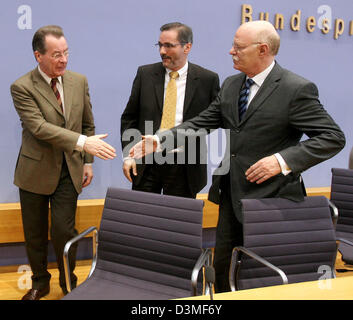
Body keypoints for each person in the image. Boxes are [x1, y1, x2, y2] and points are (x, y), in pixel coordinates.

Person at [129, 20, 346, 292]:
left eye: (238, 47)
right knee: (223, 267)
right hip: (231, 194)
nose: (231, 51)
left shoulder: (295, 89)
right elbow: (202, 122)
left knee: (259, 273)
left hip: (271, 199)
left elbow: (332, 137)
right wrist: (160, 139)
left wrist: (282, 161)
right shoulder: (232, 85)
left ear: (263, 50)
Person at [10, 25, 116, 300]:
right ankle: (40, 282)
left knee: (62, 231)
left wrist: (88, 161)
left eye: (66, 52)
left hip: (70, 170)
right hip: (34, 171)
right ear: (38, 56)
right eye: (56, 54)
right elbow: (40, 128)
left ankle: (69, 281)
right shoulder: (22, 87)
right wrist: (82, 143)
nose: (64, 60)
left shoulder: (78, 81)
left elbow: (87, 123)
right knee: (34, 234)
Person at [121, 22, 220, 198]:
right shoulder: (145, 74)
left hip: (185, 164)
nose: (162, 51)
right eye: (160, 45)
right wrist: (128, 155)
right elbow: (129, 117)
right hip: (147, 161)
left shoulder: (207, 79)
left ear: (187, 47)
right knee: (143, 220)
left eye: (169, 46)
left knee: (178, 222)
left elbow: (212, 120)